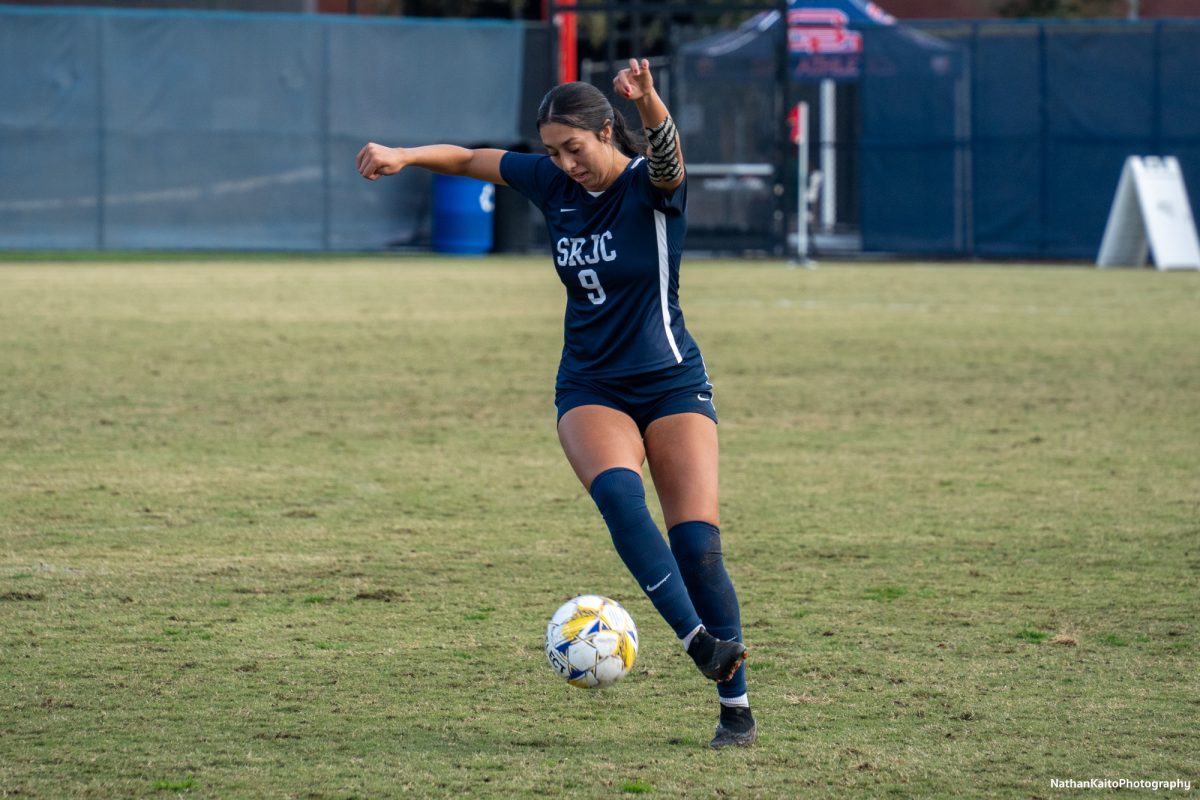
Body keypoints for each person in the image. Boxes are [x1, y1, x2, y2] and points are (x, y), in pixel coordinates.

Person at [356, 59, 756, 749]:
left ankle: (737, 708)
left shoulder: (653, 188)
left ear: (608, 132)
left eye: (575, 148)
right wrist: (406, 154)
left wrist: (651, 102)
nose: (564, 164)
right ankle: (697, 640)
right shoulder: (552, 183)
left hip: (670, 381)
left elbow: (666, 154)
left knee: (699, 546)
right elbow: (472, 158)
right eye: (552, 152)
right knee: (621, 501)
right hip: (591, 385)